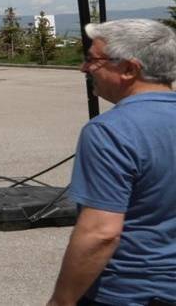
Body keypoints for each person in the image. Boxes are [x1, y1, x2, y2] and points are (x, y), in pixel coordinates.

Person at [47, 19, 176, 306]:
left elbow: (101, 233)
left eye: (94, 60)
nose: (84, 68)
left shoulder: (110, 132)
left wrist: (62, 301)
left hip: (132, 293)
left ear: (129, 69)